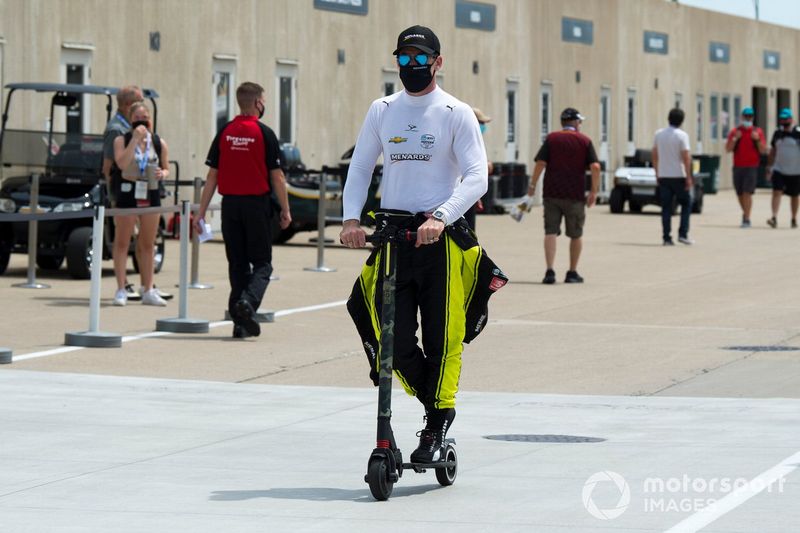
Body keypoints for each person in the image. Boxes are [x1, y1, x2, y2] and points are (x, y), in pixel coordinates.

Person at [342, 25, 507, 464]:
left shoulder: (455, 112)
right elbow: (360, 169)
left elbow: (477, 177)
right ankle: (438, 409)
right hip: (395, 237)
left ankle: (435, 425)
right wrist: (351, 219)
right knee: (381, 328)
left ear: (438, 62)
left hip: (441, 241)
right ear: (395, 61)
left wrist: (441, 216)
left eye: (420, 59)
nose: (411, 67)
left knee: (443, 338)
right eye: (404, 59)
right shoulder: (382, 109)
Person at [196, 82, 291, 339]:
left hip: (231, 207)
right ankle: (248, 302)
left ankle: (240, 322)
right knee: (262, 264)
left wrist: (201, 212)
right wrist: (285, 209)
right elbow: (278, 177)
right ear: (258, 102)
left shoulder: (225, 132)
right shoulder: (264, 133)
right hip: (255, 205)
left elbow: (212, 175)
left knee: (237, 264)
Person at [526, 107, 600, 284]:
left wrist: (532, 185)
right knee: (575, 234)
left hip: (552, 193)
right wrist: (594, 191)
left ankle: (550, 271)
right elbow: (595, 167)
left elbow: (540, 163)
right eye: (579, 121)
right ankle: (572, 272)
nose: (580, 124)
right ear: (574, 122)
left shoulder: (551, 139)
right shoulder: (584, 141)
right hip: (574, 195)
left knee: (550, 231)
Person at [111, 102, 169, 306]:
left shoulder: (158, 142)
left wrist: (163, 173)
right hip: (128, 192)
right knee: (122, 242)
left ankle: (148, 288)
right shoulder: (121, 140)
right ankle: (121, 288)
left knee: (147, 243)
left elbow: (166, 167)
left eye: (145, 117)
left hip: (150, 192)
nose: (142, 121)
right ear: (130, 119)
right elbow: (121, 163)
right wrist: (135, 140)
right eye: (137, 118)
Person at [103, 85, 144, 304]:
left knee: (141, 238)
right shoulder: (116, 129)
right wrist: (115, 192)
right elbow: (108, 166)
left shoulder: (132, 126)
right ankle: (123, 283)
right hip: (123, 191)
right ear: (128, 105)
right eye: (139, 101)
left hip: (139, 189)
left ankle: (145, 283)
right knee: (123, 239)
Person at [653, 108, 694, 246]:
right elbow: (686, 157)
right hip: (678, 175)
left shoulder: (659, 134)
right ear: (682, 121)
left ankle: (666, 237)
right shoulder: (682, 135)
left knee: (666, 207)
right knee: (686, 203)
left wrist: (657, 172)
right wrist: (689, 177)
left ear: (668, 118)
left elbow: (654, 154)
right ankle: (683, 233)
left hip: (664, 175)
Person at [725, 106, 767, 228]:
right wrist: (735, 138)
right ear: (742, 117)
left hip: (752, 167)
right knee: (739, 193)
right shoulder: (735, 132)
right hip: (738, 166)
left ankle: (747, 219)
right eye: (746, 116)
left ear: (753, 117)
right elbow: (728, 149)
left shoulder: (757, 131)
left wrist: (758, 140)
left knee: (747, 192)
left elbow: (763, 150)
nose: (748, 118)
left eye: (750, 116)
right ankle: (745, 213)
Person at [766, 108, 800, 229]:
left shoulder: (798, 132)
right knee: (777, 192)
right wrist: (769, 167)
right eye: (782, 118)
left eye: (786, 118)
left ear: (791, 119)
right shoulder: (777, 133)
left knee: (795, 195)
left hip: (796, 170)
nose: (784, 120)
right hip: (779, 169)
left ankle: (794, 218)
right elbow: (773, 151)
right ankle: (774, 217)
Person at [462, 107, 493, 231]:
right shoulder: (464, 138)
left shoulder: (474, 138)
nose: (484, 126)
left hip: (469, 195)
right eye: (481, 123)